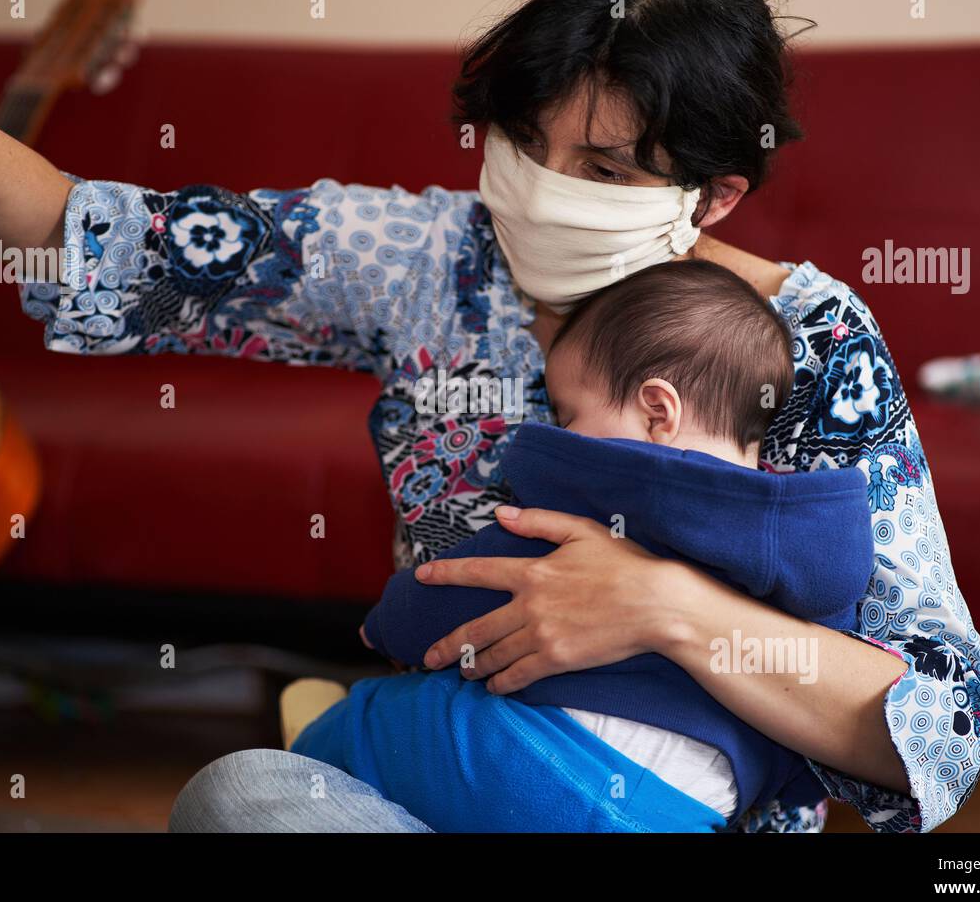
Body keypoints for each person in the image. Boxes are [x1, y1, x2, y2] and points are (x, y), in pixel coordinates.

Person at [0, 0, 980, 833]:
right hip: (454, 785)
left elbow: (941, 724)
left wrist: (660, 606)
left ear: (716, 195)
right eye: (526, 140)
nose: (539, 187)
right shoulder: (422, 254)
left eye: (599, 168)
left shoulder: (810, 341)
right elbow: (111, 239)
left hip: (667, 815)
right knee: (238, 796)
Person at [290, 259, 876, 832]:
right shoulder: (812, 536)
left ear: (657, 410)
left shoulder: (607, 491)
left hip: (541, 768)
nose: (563, 435)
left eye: (568, 416)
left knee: (378, 717)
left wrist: (390, 624)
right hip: (688, 810)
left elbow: (469, 585)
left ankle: (316, 746)